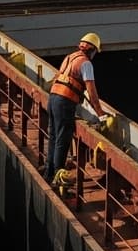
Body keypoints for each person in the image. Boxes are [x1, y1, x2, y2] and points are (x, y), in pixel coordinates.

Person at [45, 32, 110, 185]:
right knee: (63, 138)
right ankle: (58, 176)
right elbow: (92, 92)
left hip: (53, 97)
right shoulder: (86, 64)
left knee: (54, 136)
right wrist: (100, 114)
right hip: (64, 102)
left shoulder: (70, 57)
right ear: (92, 50)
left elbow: (65, 80)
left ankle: (49, 173)